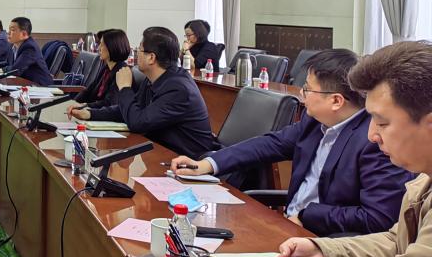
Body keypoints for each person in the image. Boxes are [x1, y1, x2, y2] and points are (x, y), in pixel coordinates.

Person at [278, 42, 432, 257]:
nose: (372, 135)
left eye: (383, 123)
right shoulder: (424, 181)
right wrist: (324, 251)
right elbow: (396, 242)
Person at [171, 49, 411, 236]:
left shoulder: (375, 142)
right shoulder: (314, 121)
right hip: (288, 226)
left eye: (308, 89)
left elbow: (376, 218)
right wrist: (208, 163)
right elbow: (271, 144)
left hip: (324, 240)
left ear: (336, 101)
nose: (302, 95)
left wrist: (307, 217)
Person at [90, 27, 218, 158]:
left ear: (151, 58)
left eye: (139, 49)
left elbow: (138, 123)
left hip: (188, 161)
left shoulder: (178, 89)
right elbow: (130, 108)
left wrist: (124, 88)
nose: (136, 53)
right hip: (162, 153)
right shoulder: (153, 79)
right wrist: (90, 113)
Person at [68, 29, 132, 118]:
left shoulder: (121, 72)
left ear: (112, 47)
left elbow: (109, 103)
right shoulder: (106, 68)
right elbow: (88, 90)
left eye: (102, 45)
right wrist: (74, 103)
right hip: (93, 113)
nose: (98, 48)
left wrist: (84, 106)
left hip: (101, 117)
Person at [6, 17, 54, 87]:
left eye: (12, 30)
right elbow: (8, 63)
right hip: (27, 85)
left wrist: (2, 69)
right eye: (9, 29)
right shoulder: (14, 46)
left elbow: (15, 70)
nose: (8, 33)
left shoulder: (30, 47)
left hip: (40, 87)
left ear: (24, 34)